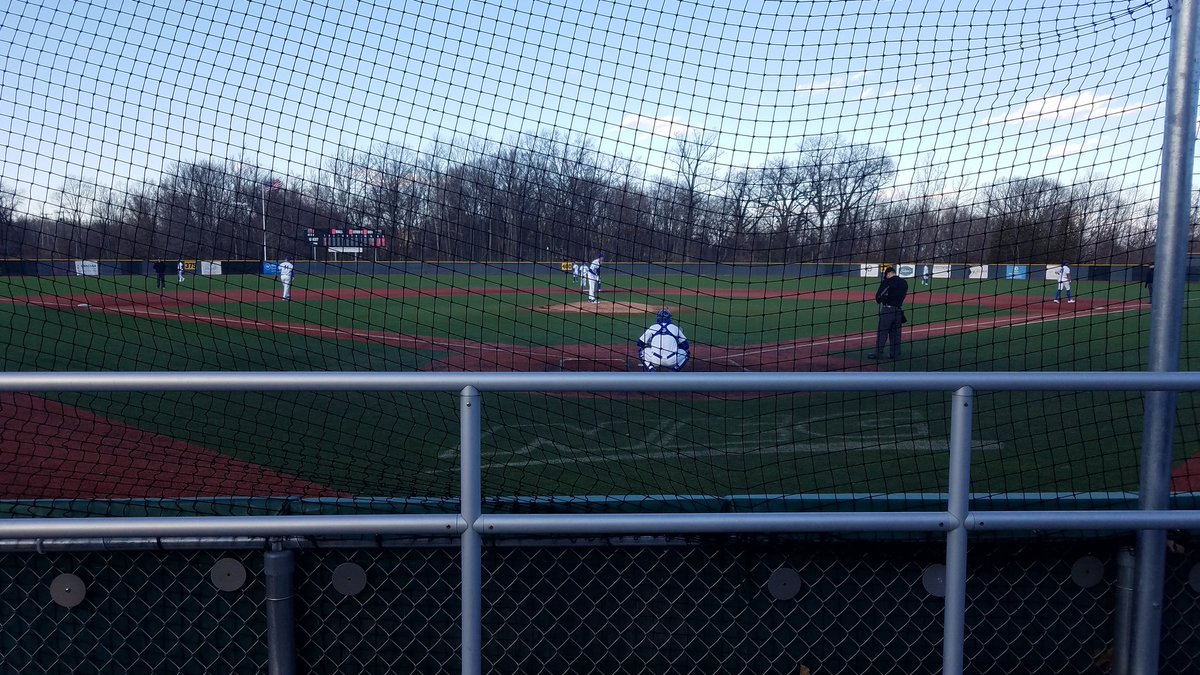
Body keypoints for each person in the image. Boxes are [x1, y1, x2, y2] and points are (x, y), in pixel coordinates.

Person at [869, 266, 908, 360]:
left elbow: (879, 297)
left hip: (888, 310)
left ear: (889, 274)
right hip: (898, 311)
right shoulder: (904, 282)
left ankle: (878, 353)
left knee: (882, 332)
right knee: (896, 334)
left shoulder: (887, 282)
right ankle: (894, 354)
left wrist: (881, 300)